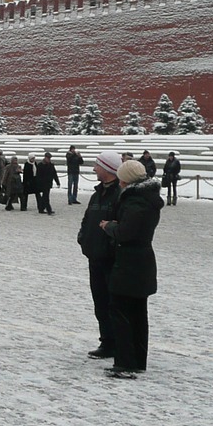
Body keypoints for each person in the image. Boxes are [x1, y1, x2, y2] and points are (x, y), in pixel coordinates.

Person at [99, 160, 163, 379]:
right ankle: (136, 360)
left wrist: (109, 226)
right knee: (137, 313)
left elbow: (127, 232)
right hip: (140, 262)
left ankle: (126, 362)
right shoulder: (146, 199)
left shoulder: (136, 202)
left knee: (121, 311)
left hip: (130, 263)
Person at [78, 151, 122, 360]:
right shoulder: (97, 194)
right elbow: (87, 218)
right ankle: (106, 341)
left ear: (107, 169)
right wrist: (83, 238)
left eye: (97, 165)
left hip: (111, 259)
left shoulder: (120, 195)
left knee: (113, 303)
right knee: (100, 303)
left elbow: (124, 226)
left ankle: (116, 343)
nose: (94, 169)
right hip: (94, 256)